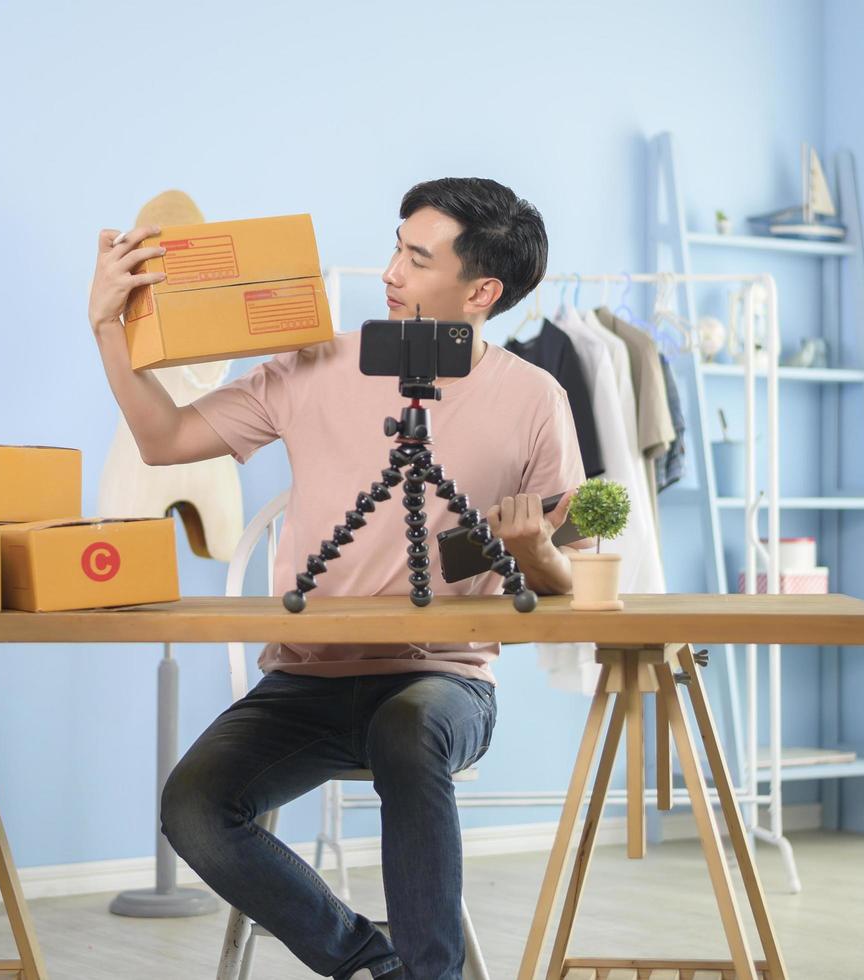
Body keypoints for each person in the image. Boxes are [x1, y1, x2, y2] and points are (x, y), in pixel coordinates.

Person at [86, 177, 588, 979]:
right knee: (194, 806)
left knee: (407, 727)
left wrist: (538, 558)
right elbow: (165, 437)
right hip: (308, 678)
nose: (389, 272)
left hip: (445, 682)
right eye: (395, 247)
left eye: (416, 259)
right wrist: (109, 324)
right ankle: (370, 964)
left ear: (481, 291)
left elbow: (572, 575)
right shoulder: (319, 363)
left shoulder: (534, 399)